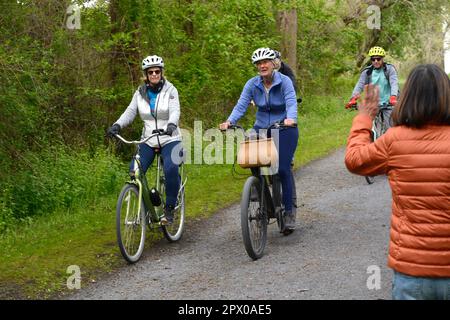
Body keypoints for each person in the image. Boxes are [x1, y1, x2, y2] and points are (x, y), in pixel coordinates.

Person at [345, 64, 450, 300]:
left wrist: (364, 117)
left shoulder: (394, 140)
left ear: (408, 97)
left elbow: (354, 161)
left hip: (412, 272)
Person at [219, 47, 298, 231]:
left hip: (284, 127)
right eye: (259, 64)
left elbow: (291, 102)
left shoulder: (285, 81)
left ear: (273, 64)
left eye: (266, 62)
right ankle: (260, 191)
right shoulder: (252, 84)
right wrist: (230, 121)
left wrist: (291, 119)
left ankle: (288, 212)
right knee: (252, 160)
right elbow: (241, 105)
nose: (262, 66)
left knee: (284, 168)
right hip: (261, 127)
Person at [107, 55, 182, 225]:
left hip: (169, 138)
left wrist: (171, 124)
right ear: (146, 75)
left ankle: (169, 208)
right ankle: (146, 205)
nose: (154, 74)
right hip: (148, 139)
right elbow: (130, 111)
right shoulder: (139, 93)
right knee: (134, 170)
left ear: (161, 73)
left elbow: (175, 111)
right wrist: (117, 125)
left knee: (170, 168)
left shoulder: (171, 90)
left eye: (157, 71)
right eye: (150, 72)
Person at [345, 46, 399, 131]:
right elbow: (360, 85)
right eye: (373, 59)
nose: (376, 61)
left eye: (378, 59)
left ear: (382, 59)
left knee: (391, 129)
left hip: (388, 104)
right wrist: (353, 98)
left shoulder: (389, 69)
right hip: (372, 104)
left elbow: (394, 83)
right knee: (367, 128)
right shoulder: (367, 72)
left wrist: (393, 97)